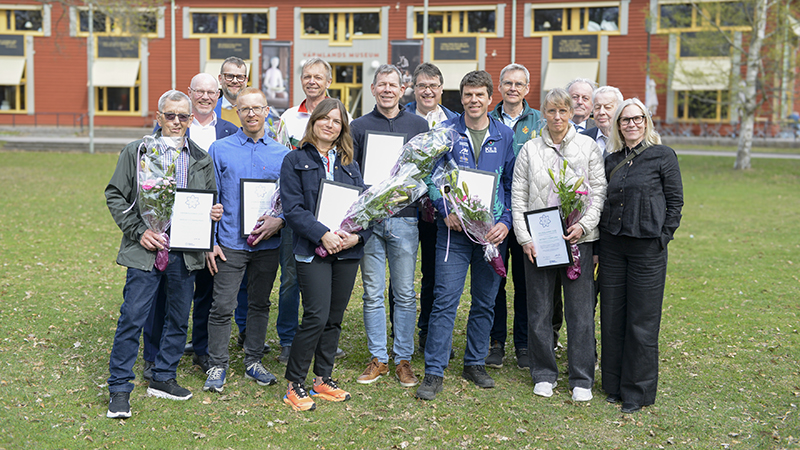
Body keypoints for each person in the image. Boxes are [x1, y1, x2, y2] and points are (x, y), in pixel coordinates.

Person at [104, 90, 223, 418]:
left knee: (177, 317)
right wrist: (139, 231)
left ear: (190, 119)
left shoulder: (200, 157)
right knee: (132, 317)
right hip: (146, 250)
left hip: (184, 252)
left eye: (182, 116)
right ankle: (119, 387)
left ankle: (163, 377)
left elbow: (208, 200)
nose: (176, 121)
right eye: (169, 115)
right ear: (158, 117)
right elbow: (115, 194)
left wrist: (211, 213)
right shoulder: (137, 152)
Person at [415, 71, 516, 401]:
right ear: (462, 98)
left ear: (490, 98)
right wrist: (446, 210)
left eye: (480, 95)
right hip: (454, 234)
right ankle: (434, 370)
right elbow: (432, 180)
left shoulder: (503, 135)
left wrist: (507, 221)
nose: (474, 100)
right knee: (445, 300)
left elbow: (513, 184)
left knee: (485, 302)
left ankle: (474, 363)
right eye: (468, 95)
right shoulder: (446, 133)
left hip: (490, 234)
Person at [510, 87, 607, 402]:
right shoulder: (530, 149)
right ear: (544, 114)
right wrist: (525, 238)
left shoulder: (588, 147)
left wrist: (583, 225)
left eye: (563, 111)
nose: (557, 117)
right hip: (541, 241)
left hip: (579, 239)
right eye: (551, 111)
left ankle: (581, 377)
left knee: (580, 312)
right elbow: (518, 195)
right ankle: (544, 373)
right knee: (539, 309)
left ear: (572, 113)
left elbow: (598, 192)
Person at [141, 73, 239, 377]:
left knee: (205, 292)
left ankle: (201, 351)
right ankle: (153, 355)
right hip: (165, 227)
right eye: (200, 91)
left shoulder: (229, 131)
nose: (206, 97)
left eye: (212, 92)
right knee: (161, 295)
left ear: (219, 95)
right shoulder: (169, 126)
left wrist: (214, 221)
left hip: (206, 226)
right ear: (190, 93)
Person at [280, 98, 372, 411]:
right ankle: (294, 383)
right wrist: (323, 234)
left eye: (337, 121)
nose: (330, 125)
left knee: (333, 318)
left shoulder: (350, 163)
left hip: (345, 252)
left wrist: (354, 238)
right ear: (314, 122)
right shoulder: (295, 160)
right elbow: (292, 209)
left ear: (342, 127)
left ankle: (323, 378)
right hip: (313, 249)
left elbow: (363, 211)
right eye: (325, 119)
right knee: (316, 316)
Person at [203, 87, 290, 393]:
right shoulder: (220, 149)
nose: (251, 114)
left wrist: (279, 222)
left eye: (257, 108)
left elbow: (288, 201)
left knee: (260, 303)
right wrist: (210, 241)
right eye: (245, 109)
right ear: (236, 112)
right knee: (222, 305)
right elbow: (211, 197)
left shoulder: (282, 154)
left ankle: (253, 359)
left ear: (267, 111)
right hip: (228, 242)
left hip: (267, 244)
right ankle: (217, 364)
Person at [599, 98, 683, 413]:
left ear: (646, 122)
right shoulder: (611, 160)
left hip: (647, 248)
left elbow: (675, 201)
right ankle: (613, 384)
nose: (631, 124)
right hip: (612, 247)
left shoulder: (663, 156)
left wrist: (664, 236)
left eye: (637, 119)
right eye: (625, 120)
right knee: (612, 316)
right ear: (618, 126)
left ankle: (637, 391)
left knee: (642, 320)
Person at [350, 64, 429, 388]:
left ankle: (403, 359)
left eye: (392, 85)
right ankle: (378, 358)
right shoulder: (358, 126)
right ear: (373, 89)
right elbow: (352, 171)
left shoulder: (418, 124)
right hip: (370, 221)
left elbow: (424, 170)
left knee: (406, 293)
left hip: (405, 219)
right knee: (372, 293)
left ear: (402, 89)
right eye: (381, 84)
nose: (386, 89)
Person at [277, 57, 345, 364]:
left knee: (328, 281)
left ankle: (321, 337)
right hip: (299, 212)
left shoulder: (342, 115)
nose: (312, 81)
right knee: (291, 278)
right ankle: (288, 338)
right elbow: (281, 162)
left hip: (334, 218)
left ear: (328, 81)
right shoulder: (289, 117)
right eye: (307, 76)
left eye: (318, 76)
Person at [486, 63, 542, 370]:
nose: (512, 88)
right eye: (507, 83)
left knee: (526, 283)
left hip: (529, 215)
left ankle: (523, 343)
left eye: (519, 84)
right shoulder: (487, 118)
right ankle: (496, 342)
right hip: (494, 217)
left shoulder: (539, 122)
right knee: (494, 281)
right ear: (499, 87)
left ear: (527, 89)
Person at [403, 63, 458, 356]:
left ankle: (429, 333)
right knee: (403, 274)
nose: (428, 91)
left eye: (433, 85)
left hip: (443, 211)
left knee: (436, 274)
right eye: (422, 85)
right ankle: (400, 335)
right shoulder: (402, 118)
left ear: (441, 88)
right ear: (414, 88)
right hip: (407, 208)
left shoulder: (454, 121)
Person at [583, 86, 623, 158]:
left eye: (607, 107)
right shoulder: (582, 139)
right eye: (597, 107)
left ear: (619, 110)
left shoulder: (628, 139)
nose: (601, 112)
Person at [215, 56, 249, 126]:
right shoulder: (210, 110)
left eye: (240, 77)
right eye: (229, 76)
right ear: (220, 79)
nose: (235, 81)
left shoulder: (259, 112)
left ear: (246, 81)